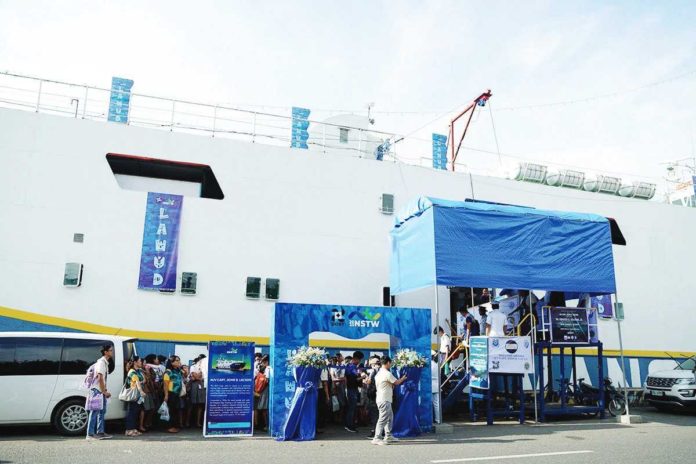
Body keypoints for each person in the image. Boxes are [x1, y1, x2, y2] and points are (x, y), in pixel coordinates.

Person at [372, 355, 407, 445]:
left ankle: (388, 436)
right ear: (387, 363)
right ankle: (377, 438)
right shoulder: (387, 373)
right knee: (383, 419)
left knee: (389, 418)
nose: (390, 365)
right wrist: (403, 378)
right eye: (390, 363)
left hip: (382, 399)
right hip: (384, 399)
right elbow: (397, 382)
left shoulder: (379, 374)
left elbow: (389, 384)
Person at [86, 344, 113, 440]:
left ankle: (100, 432)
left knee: (101, 412)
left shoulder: (105, 362)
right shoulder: (101, 363)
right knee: (94, 412)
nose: (112, 352)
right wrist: (104, 392)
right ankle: (90, 434)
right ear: (105, 352)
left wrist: (105, 391)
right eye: (110, 350)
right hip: (97, 391)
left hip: (100, 391)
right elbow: (100, 378)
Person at [124, 356, 147, 437]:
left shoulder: (138, 371)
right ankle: (128, 430)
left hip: (137, 396)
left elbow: (144, 380)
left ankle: (133, 429)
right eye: (140, 361)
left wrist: (140, 381)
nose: (141, 362)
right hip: (134, 394)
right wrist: (141, 391)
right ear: (135, 362)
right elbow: (137, 382)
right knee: (131, 412)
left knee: (135, 412)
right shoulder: (132, 371)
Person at [344, 350, 364, 433]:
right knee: (351, 408)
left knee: (352, 408)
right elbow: (353, 380)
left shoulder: (352, 366)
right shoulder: (351, 367)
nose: (360, 361)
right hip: (351, 389)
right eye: (359, 360)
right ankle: (349, 425)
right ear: (356, 358)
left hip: (353, 389)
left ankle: (350, 424)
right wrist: (362, 377)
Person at [163, 355, 183, 433]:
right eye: (177, 361)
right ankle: (169, 427)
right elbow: (165, 384)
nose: (179, 362)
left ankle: (174, 426)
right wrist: (166, 395)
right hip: (171, 393)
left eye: (179, 360)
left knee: (175, 410)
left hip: (177, 393)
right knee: (170, 411)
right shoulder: (168, 371)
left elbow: (185, 374)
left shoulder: (177, 370)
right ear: (171, 362)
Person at [363, 356, 380, 437]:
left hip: (373, 394)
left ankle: (375, 432)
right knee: (379, 414)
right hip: (379, 394)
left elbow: (369, 382)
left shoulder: (374, 371)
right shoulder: (383, 370)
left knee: (374, 414)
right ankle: (379, 431)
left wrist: (365, 379)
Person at [189, 354, 207, 428]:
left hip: (202, 386)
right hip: (195, 386)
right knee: (192, 404)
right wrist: (200, 376)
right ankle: (188, 422)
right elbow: (196, 377)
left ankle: (198, 422)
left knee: (201, 405)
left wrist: (199, 376)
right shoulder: (193, 367)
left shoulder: (205, 368)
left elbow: (198, 377)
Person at [254, 364, 269, 431]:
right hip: (263, 395)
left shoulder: (257, 376)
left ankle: (256, 425)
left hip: (256, 393)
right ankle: (266, 425)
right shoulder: (265, 378)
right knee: (264, 410)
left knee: (256, 409)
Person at [431, 351, 441, 424]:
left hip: (430, 385)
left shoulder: (430, 364)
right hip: (437, 385)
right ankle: (438, 419)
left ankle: (430, 420)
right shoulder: (437, 365)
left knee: (429, 403)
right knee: (436, 404)